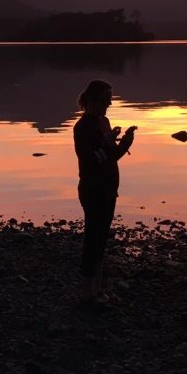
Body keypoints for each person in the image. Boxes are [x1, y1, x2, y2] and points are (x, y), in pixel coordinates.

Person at [73, 79, 136, 304]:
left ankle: (97, 290)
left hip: (109, 188)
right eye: (105, 99)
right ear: (91, 100)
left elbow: (111, 157)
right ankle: (87, 292)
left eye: (110, 99)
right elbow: (90, 161)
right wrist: (107, 143)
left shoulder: (104, 122)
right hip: (92, 189)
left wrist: (125, 144)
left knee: (101, 239)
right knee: (93, 238)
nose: (109, 103)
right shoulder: (83, 127)